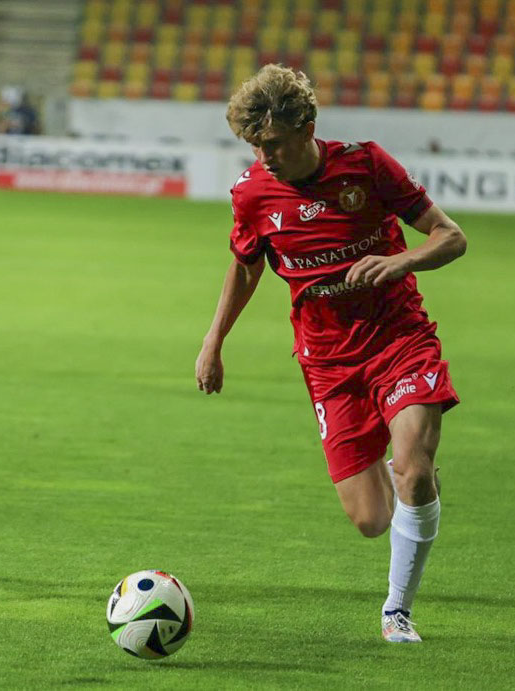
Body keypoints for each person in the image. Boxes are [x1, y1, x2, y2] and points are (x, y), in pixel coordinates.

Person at [195, 64, 467, 643]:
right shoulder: (252, 194)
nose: (263, 156)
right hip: (327, 362)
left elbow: (451, 236)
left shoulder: (367, 166)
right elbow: (245, 269)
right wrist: (214, 342)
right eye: (254, 145)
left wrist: (402, 261)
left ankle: (397, 611)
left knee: (413, 473)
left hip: (399, 339)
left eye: (272, 143)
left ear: (307, 127)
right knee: (371, 518)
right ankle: (410, 474)